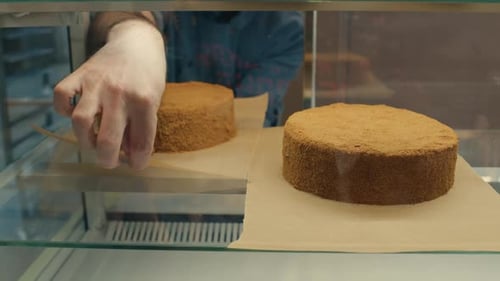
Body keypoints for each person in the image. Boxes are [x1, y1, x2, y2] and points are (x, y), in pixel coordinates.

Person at [53, 11, 304, 170]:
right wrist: (134, 35)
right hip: (139, 176)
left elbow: (234, 117)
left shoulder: (284, 28)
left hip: (238, 183)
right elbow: (118, 12)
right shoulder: (176, 7)